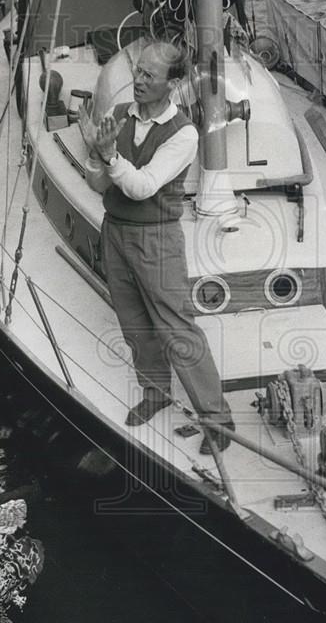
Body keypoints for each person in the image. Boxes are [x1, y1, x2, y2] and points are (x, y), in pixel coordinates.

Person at [80, 40, 235, 455]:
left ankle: (218, 418)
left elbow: (142, 187)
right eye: (139, 71)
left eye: (150, 75)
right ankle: (155, 392)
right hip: (116, 232)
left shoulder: (183, 133)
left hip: (157, 239)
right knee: (134, 321)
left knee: (176, 329)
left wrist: (110, 153)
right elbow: (98, 184)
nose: (138, 80)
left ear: (175, 83)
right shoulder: (118, 116)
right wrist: (96, 152)